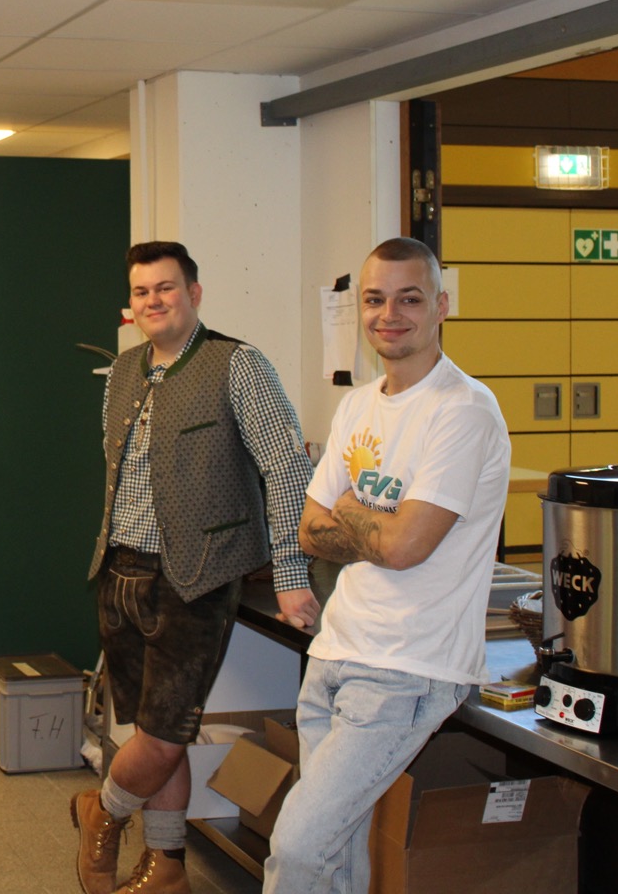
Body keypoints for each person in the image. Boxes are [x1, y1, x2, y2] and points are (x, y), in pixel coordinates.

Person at [262, 237, 510, 894]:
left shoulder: (463, 410)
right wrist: (377, 525)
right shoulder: (359, 404)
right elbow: (310, 531)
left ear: (441, 307)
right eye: (375, 299)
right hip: (335, 651)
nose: (389, 315)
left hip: (408, 667)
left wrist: (352, 511)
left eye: (409, 299)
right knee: (335, 858)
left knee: (298, 848)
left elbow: (406, 549)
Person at [75, 241, 318, 894]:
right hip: (120, 572)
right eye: (142, 291)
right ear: (131, 304)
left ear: (195, 294)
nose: (153, 300)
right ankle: (167, 864)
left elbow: (288, 469)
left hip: (195, 580)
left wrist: (291, 573)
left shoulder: (237, 365)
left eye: (167, 288)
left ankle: (102, 810)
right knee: (155, 732)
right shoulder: (123, 372)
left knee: (162, 733)